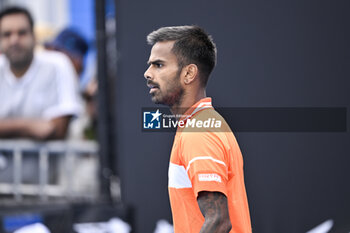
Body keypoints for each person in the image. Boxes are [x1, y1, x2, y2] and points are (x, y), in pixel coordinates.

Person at [144, 26, 252, 233]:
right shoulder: (200, 124)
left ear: (189, 73)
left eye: (158, 65)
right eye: (150, 65)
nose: (147, 73)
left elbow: (218, 222)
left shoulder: (199, 132)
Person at [0, 6, 81, 140]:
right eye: (7, 34)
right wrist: (31, 126)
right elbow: (43, 129)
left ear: (34, 36)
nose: (14, 40)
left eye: (22, 33)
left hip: (49, 162)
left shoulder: (57, 65)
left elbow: (57, 128)